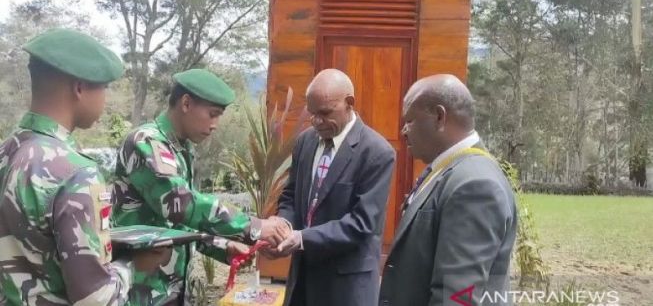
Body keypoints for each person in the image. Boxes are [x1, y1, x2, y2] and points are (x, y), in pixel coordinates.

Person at [0, 28, 166, 305]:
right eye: (104, 87)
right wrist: (134, 265)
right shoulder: (74, 172)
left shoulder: (6, 153)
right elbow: (94, 298)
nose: (106, 99)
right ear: (79, 88)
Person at [112, 68, 290, 305]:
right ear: (186, 103)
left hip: (169, 287)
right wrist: (254, 226)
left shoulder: (182, 149)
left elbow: (179, 225)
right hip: (140, 290)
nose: (215, 125)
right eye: (212, 114)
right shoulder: (147, 142)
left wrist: (222, 247)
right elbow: (181, 205)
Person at [378, 74, 518, 306]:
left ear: (440, 117)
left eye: (410, 120)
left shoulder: (475, 185)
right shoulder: (449, 170)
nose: (403, 131)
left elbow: (456, 297)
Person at [267, 69, 396, 306]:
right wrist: (282, 228)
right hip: (302, 283)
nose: (317, 121)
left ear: (349, 104)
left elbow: (362, 223)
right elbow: (290, 196)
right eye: (312, 113)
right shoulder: (305, 141)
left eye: (325, 113)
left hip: (346, 289)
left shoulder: (376, 153)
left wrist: (301, 238)